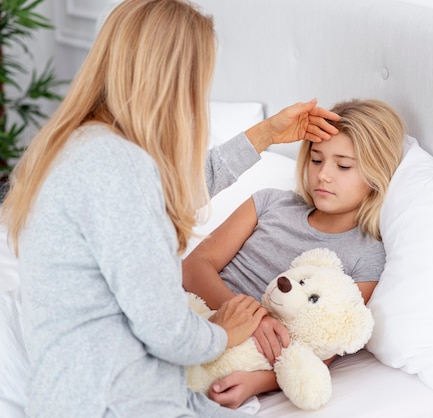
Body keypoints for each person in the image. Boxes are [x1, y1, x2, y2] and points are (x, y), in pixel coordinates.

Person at [0, 0, 339, 417]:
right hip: (118, 400)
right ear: (176, 83)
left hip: (75, 390)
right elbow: (167, 332)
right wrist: (220, 332)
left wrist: (264, 135)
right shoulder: (118, 168)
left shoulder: (83, 146)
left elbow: (170, 194)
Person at [183, 98, 406, 409]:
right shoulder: (269, 203)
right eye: (316, 160)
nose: (323, 175)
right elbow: (194, 266)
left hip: (240, 357)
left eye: (343, 165)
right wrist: (252, 318)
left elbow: (323, 346)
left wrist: (256, 382)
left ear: (376, 174)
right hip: (191, 317)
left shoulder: (366, 255)